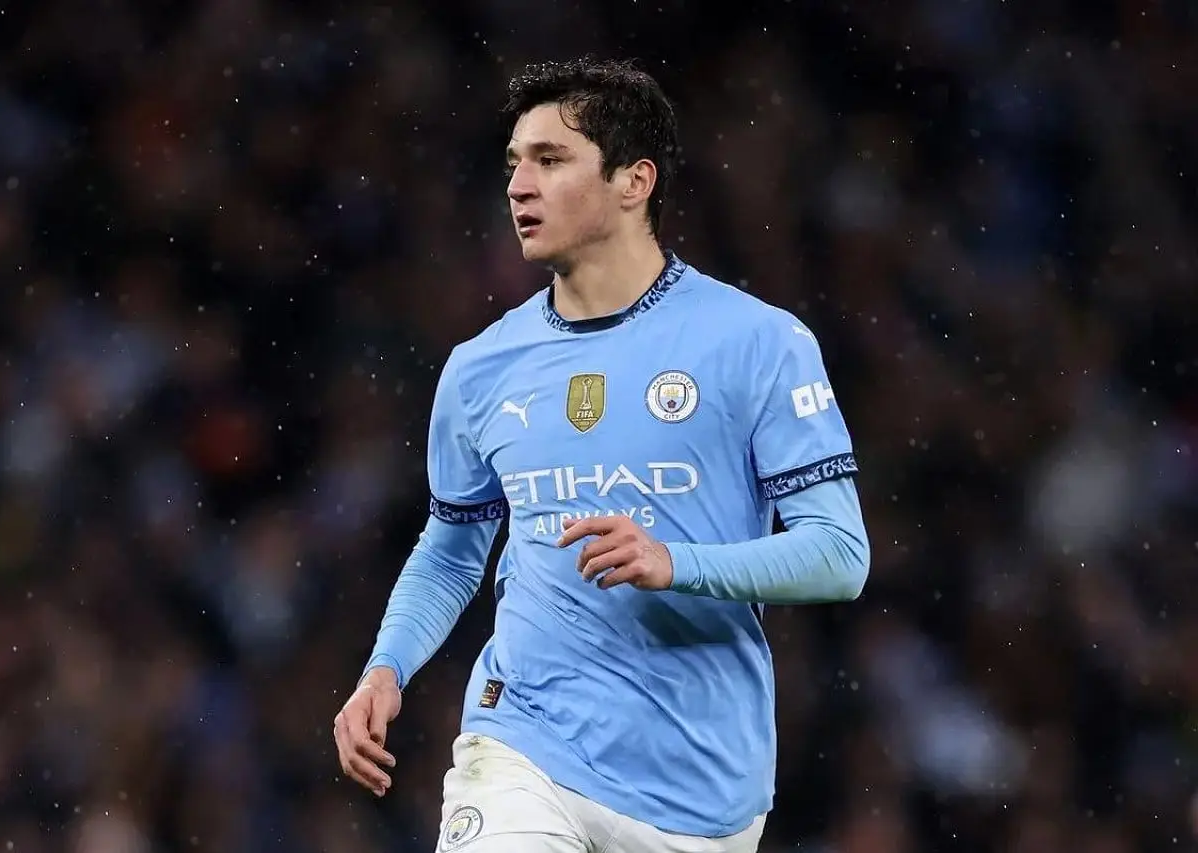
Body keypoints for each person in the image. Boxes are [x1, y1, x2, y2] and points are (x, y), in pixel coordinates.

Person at [334, 57, 871, 853]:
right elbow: (451, 550)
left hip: (697, 783)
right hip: (523, 739)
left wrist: (676, 562)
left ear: (634, 182)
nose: (519, 186)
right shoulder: (481, 367)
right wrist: (386, 666)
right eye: (514, 163)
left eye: (551, 160)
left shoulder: (758, 342)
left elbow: (839, 555)